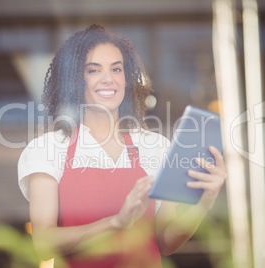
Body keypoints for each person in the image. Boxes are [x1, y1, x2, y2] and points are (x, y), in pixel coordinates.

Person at [18, 24, 227, 268]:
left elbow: (167, 241)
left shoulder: (154, 147)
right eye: (94, 70)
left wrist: (204, 202)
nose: (108, 78)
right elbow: (43, 242)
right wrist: (116, 222)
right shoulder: (48, 149)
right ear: (75, 80)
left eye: (116, 69)